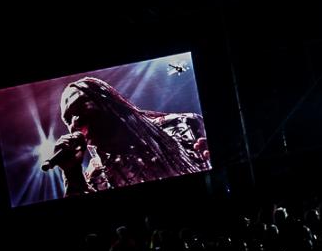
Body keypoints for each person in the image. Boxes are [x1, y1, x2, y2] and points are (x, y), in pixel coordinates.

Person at [41, 77, 210, 197]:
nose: (75, 121)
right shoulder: (95, 176)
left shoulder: (185, 124)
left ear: (106, 100)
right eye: (68, 119)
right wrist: (72, 175)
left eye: (79, 106)